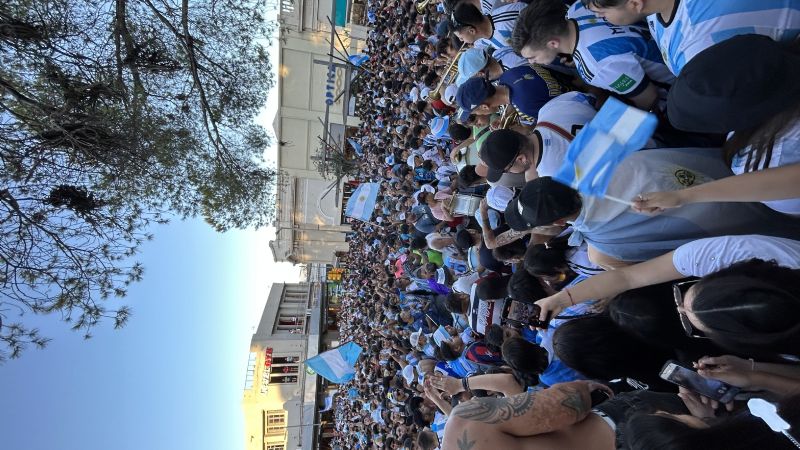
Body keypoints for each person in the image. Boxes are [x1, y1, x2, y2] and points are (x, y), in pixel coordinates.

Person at [502, 150, 800, 266]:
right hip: (753, 167)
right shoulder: (605, 158)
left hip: (758, 228)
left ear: (559, 222)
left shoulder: (604, 248)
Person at [534, 234, 800, 320]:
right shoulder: (715, 256)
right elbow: (628, 278)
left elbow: (628, 279)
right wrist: (562, 300)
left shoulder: (716, 256)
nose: (681, 307)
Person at [512, 0, 674, 111]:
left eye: (532, 57)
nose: (532, 63)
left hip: (674, 85)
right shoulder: (578, 8)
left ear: (553, 43)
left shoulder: (597, 66)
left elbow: (649, 98)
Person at [580, 0, 800, 74]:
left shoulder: (694, 49)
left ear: (635, 4)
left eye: (602, 13)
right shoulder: (656, 12)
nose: (600, 18)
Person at [478, 91, 598, 183]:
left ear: (521, 159)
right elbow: (592, 97)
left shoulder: (550, 179)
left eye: (507, 170)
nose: (510, 172)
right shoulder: (547, 110)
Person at [455, 64, 567, 125]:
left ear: (484, 106)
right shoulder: (507, 75)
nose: (479, 114)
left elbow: (559, 121)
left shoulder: (525, 108)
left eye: (476, 112)